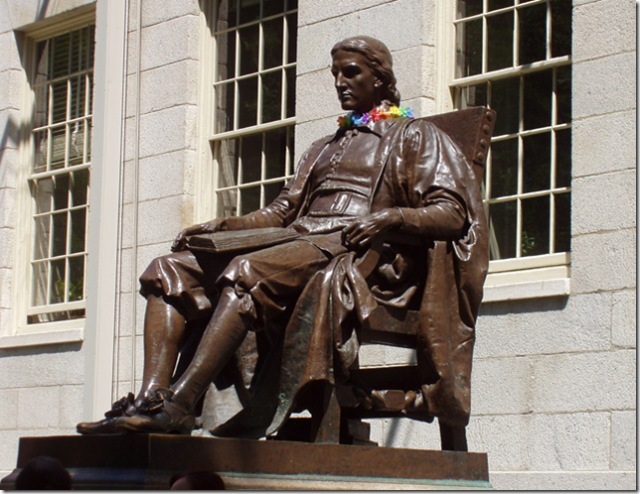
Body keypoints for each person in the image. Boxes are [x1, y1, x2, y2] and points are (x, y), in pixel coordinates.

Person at [77, 35, 487, 437]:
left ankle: (181, 405)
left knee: (246, 270)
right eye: (335, 74)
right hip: (296, 240)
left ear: (379, 79)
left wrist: (391, 218)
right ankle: (152, 399)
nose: (339, 82)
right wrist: (228, 224)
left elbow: (452, 213)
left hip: (352, 252)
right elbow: (282, 211)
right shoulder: (323, 146)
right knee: (169, 269)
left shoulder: (413, 135)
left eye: (350, 72)